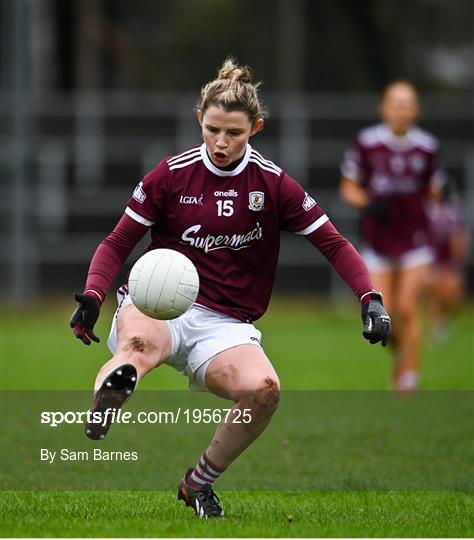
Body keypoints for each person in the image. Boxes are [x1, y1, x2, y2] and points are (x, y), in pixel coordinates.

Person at [70, 59, 391, 519]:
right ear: (200, 119)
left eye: (234, 133)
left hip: (225, 324)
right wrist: (93, 296)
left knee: (264, 391)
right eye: (213, 129)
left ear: (256, 128)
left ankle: (197, 484)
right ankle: (108, 400)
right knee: (138, 349)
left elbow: (334, 243)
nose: (221, 143)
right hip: (158, 306)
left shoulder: (273, 184)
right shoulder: (170, 175)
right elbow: (117, 242)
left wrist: (370, 299)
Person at [339, 80, 445, 393]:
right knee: (387, 315)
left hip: (415, 240)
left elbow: (434, 190)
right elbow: (349, 188)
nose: (401, 110)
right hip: (378, 242)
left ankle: (408, 378)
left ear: (416, 110)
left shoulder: (426, 147)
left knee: (409, 308)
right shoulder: (367, 143)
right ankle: (402, 357)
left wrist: (436, 210)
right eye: (395, 103)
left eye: (407, 104)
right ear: (384, 108)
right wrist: (369, 203)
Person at [427, 178, 469, 343]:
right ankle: (437, 326)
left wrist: (460, 252)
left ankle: (443, 320)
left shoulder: (452, 211)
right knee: (436, 293)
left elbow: (458, 235)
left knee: (453, 297)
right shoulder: (427, 210)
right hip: (433, 259)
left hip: (450, 260)